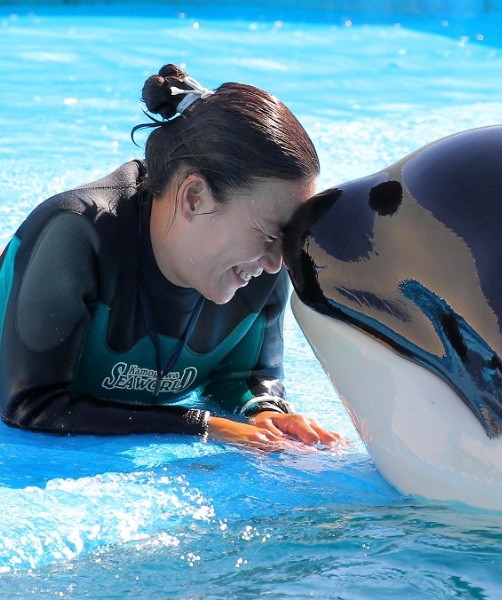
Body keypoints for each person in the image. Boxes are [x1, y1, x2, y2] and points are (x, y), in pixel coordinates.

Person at [0, 63, 342, 451]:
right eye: (267, 235)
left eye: (285, 241)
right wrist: (205, 426)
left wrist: (266, 413)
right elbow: (30, 406)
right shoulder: (74, 236)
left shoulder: (259, 268)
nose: (275, 263)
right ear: (193, 198)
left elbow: (242, 378)